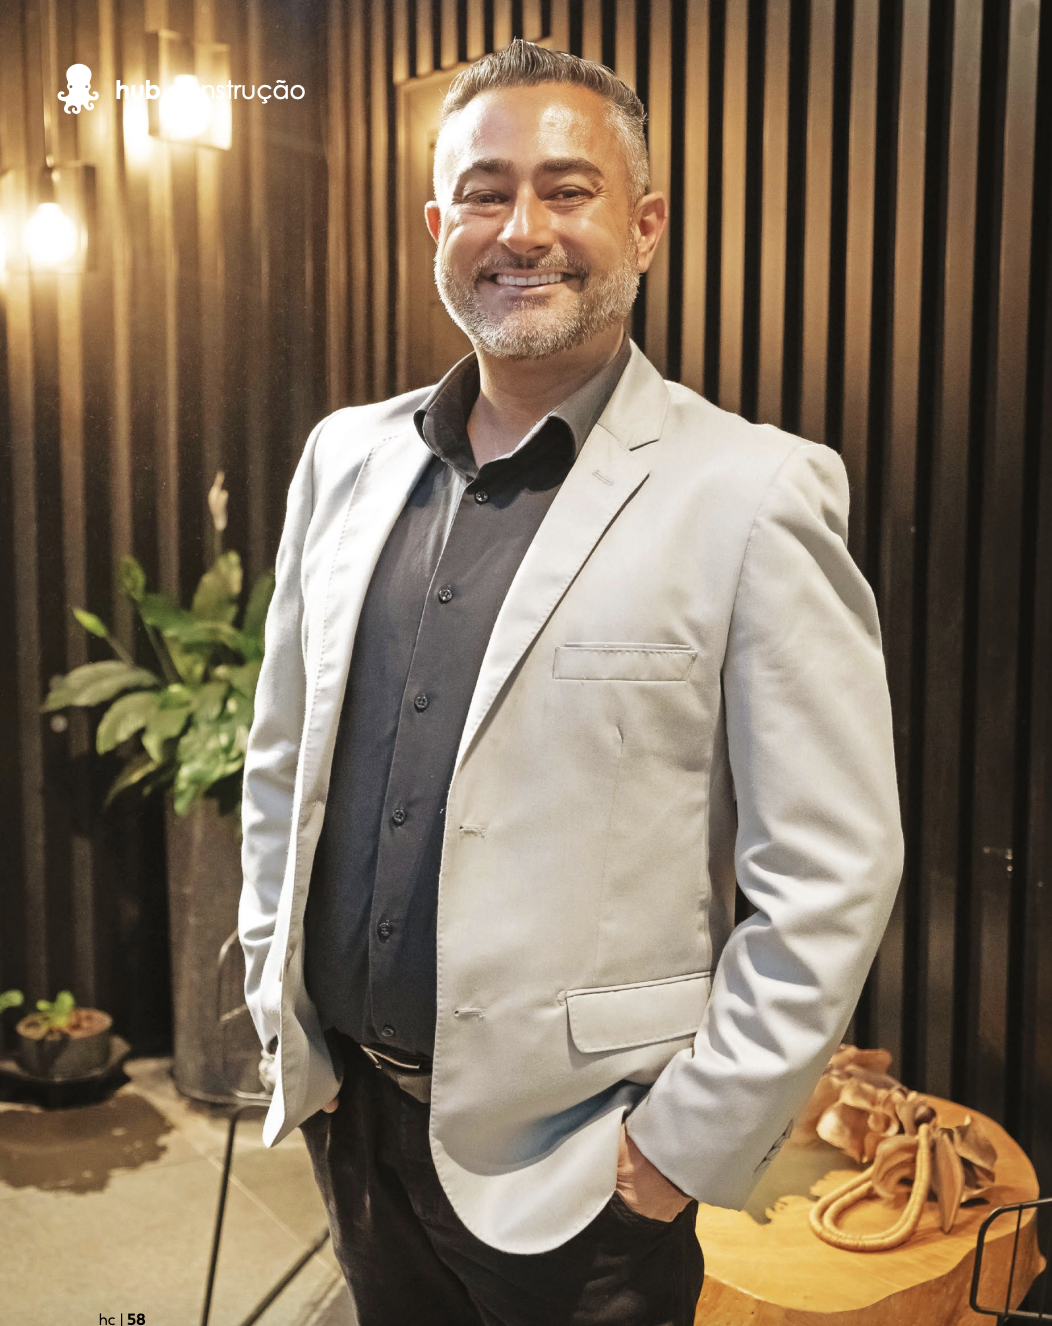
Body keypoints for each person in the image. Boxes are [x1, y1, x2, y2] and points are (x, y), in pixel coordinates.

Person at [238, 39, 904, 1326]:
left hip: (583, 1172)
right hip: (352, 1120)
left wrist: (679, 1149)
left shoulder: (752, 492)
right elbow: (283, 757)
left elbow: (829, 869)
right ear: (436, 226)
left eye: (566, 189)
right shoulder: (344, 460)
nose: (520, 230)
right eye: (483, 194)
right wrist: (279, 998)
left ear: (643, 225)